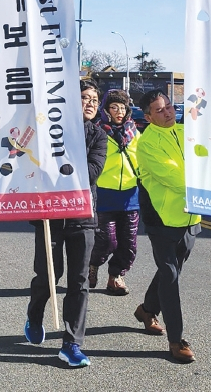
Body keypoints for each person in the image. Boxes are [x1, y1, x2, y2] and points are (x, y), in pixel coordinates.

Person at [24, 80, 107, 368]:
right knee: (48, 275)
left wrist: (61, 164)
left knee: (80, 280)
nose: (91, 103)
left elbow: (93, 172)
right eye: (85, 97)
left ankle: (72, 343)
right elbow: (31, 162)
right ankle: (35, 314)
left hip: (82, 214)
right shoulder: (47, 130)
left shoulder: (98, 135)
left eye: (95, 100)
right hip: (49, 214)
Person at [134, 89, 201, 364]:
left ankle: (146, 309)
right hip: (163, 219)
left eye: (169, 106)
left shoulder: (189, 130)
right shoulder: (147, 143)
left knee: (171, 270)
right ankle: (176, 340)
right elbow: (175, 177)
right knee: (170, 276)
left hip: (191, 216)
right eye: (159, 110)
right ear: (148, 117)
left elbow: (207, 155)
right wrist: (207, 180)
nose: (168, 112)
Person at [88, 88, 141, 295]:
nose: (119, 111)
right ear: (106, 110)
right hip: (104, 195)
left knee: (129, 244)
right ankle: (93, 264)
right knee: (107, 241)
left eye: (122, 107)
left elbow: (143, 160)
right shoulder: (97, 131)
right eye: (114, 107)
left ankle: (116, 277)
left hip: (130, 197)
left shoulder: (135, 133)